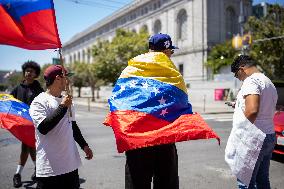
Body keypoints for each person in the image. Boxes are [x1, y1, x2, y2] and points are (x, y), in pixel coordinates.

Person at [104, 33, 219, 189]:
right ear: (166, 51)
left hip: (137, 141)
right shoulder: (172, 72)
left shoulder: (130, 70)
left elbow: (117, 100)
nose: (171, 55)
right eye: (171, 51)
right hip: (164, 139)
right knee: (166, 182)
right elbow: (181, 100)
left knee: (137, 183)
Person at [29, 65, 93, 189]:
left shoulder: (67, 100)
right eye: (66, 77)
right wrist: (63, 107)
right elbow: (43, 128)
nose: (68, 81)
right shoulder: (39, 101)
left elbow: (73, 126)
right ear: (58, 78)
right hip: (49, 169)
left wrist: (84, 146)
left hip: (70, 166)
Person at [225, 55, 278, 189]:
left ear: (241, 69)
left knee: (245, 182)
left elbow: (252, 110)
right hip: (269, 134)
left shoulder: (251, 81)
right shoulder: (268, 81)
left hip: (254, 137)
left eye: (237, 75)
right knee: (262, 180)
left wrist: (242, 135)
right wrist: (237, 104)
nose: (238, 78)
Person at [10, 61, 44, 188]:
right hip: (21, 125)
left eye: (32, 71)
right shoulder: (17, 88)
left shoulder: (39, 89)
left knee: (28, 147)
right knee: (29, 147)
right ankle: (37, 170)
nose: (29, 73)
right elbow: (9, 102)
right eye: (27, 71)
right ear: (24, 73)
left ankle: (18, 174)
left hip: (34, 125)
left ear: (35, 74)